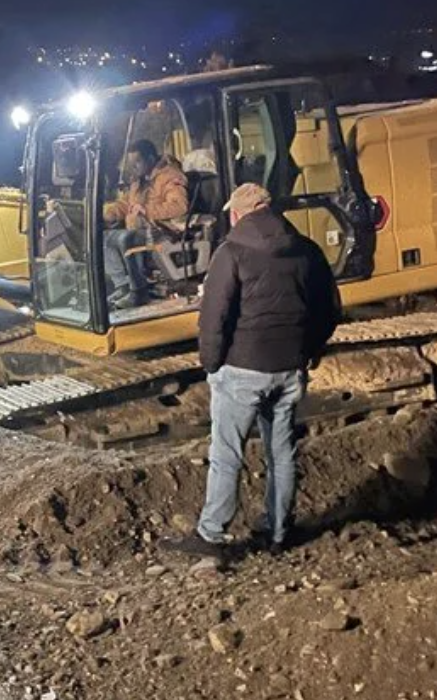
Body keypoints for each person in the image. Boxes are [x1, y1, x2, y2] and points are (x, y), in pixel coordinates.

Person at [166, 183, 341, 561]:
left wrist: (211, 363)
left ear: (237, 214)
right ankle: (277, 532)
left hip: (242, 369)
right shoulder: (306, 250)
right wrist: (309, 350)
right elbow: (328, 309)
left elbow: (213, 317)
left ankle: (212, 535)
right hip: (289, 369)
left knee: (227, 454)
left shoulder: (231, 253)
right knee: (282, 453)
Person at [101, 139, 188, 308]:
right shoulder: (138, 181)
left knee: (127, 239)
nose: (134, 167)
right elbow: (126, 204)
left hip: (162, 231)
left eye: (138, 161)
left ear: (150, 158)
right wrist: (106, 212)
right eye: (131, 163)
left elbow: (179, 206)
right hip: (138, 230)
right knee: (105, 238)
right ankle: (123, 286)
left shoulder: (170, 176)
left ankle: (139, 292)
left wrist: (147, 211)